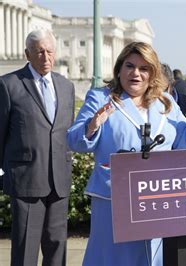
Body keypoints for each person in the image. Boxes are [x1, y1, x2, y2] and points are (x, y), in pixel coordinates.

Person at [67, 42, 186, 266]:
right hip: (113, 198)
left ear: (153, 73)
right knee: (113, 258)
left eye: (144, 68)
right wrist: (92, 126)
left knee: (150, 257)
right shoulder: (100, 98)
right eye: (130, 66)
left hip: (155, 197)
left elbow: (183, 140)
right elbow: (74, 140)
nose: (136, 73)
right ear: (119, 69)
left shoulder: (165, 102)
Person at [0, 29, 75, 266]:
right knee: (25, 251)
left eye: (50, 51)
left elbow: (66, 131)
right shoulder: (8, 85)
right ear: (27, 54)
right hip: (26, 181)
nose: (45, 57)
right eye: (39, 52)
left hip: (59, 181)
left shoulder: (66, 86)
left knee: (57, 247)